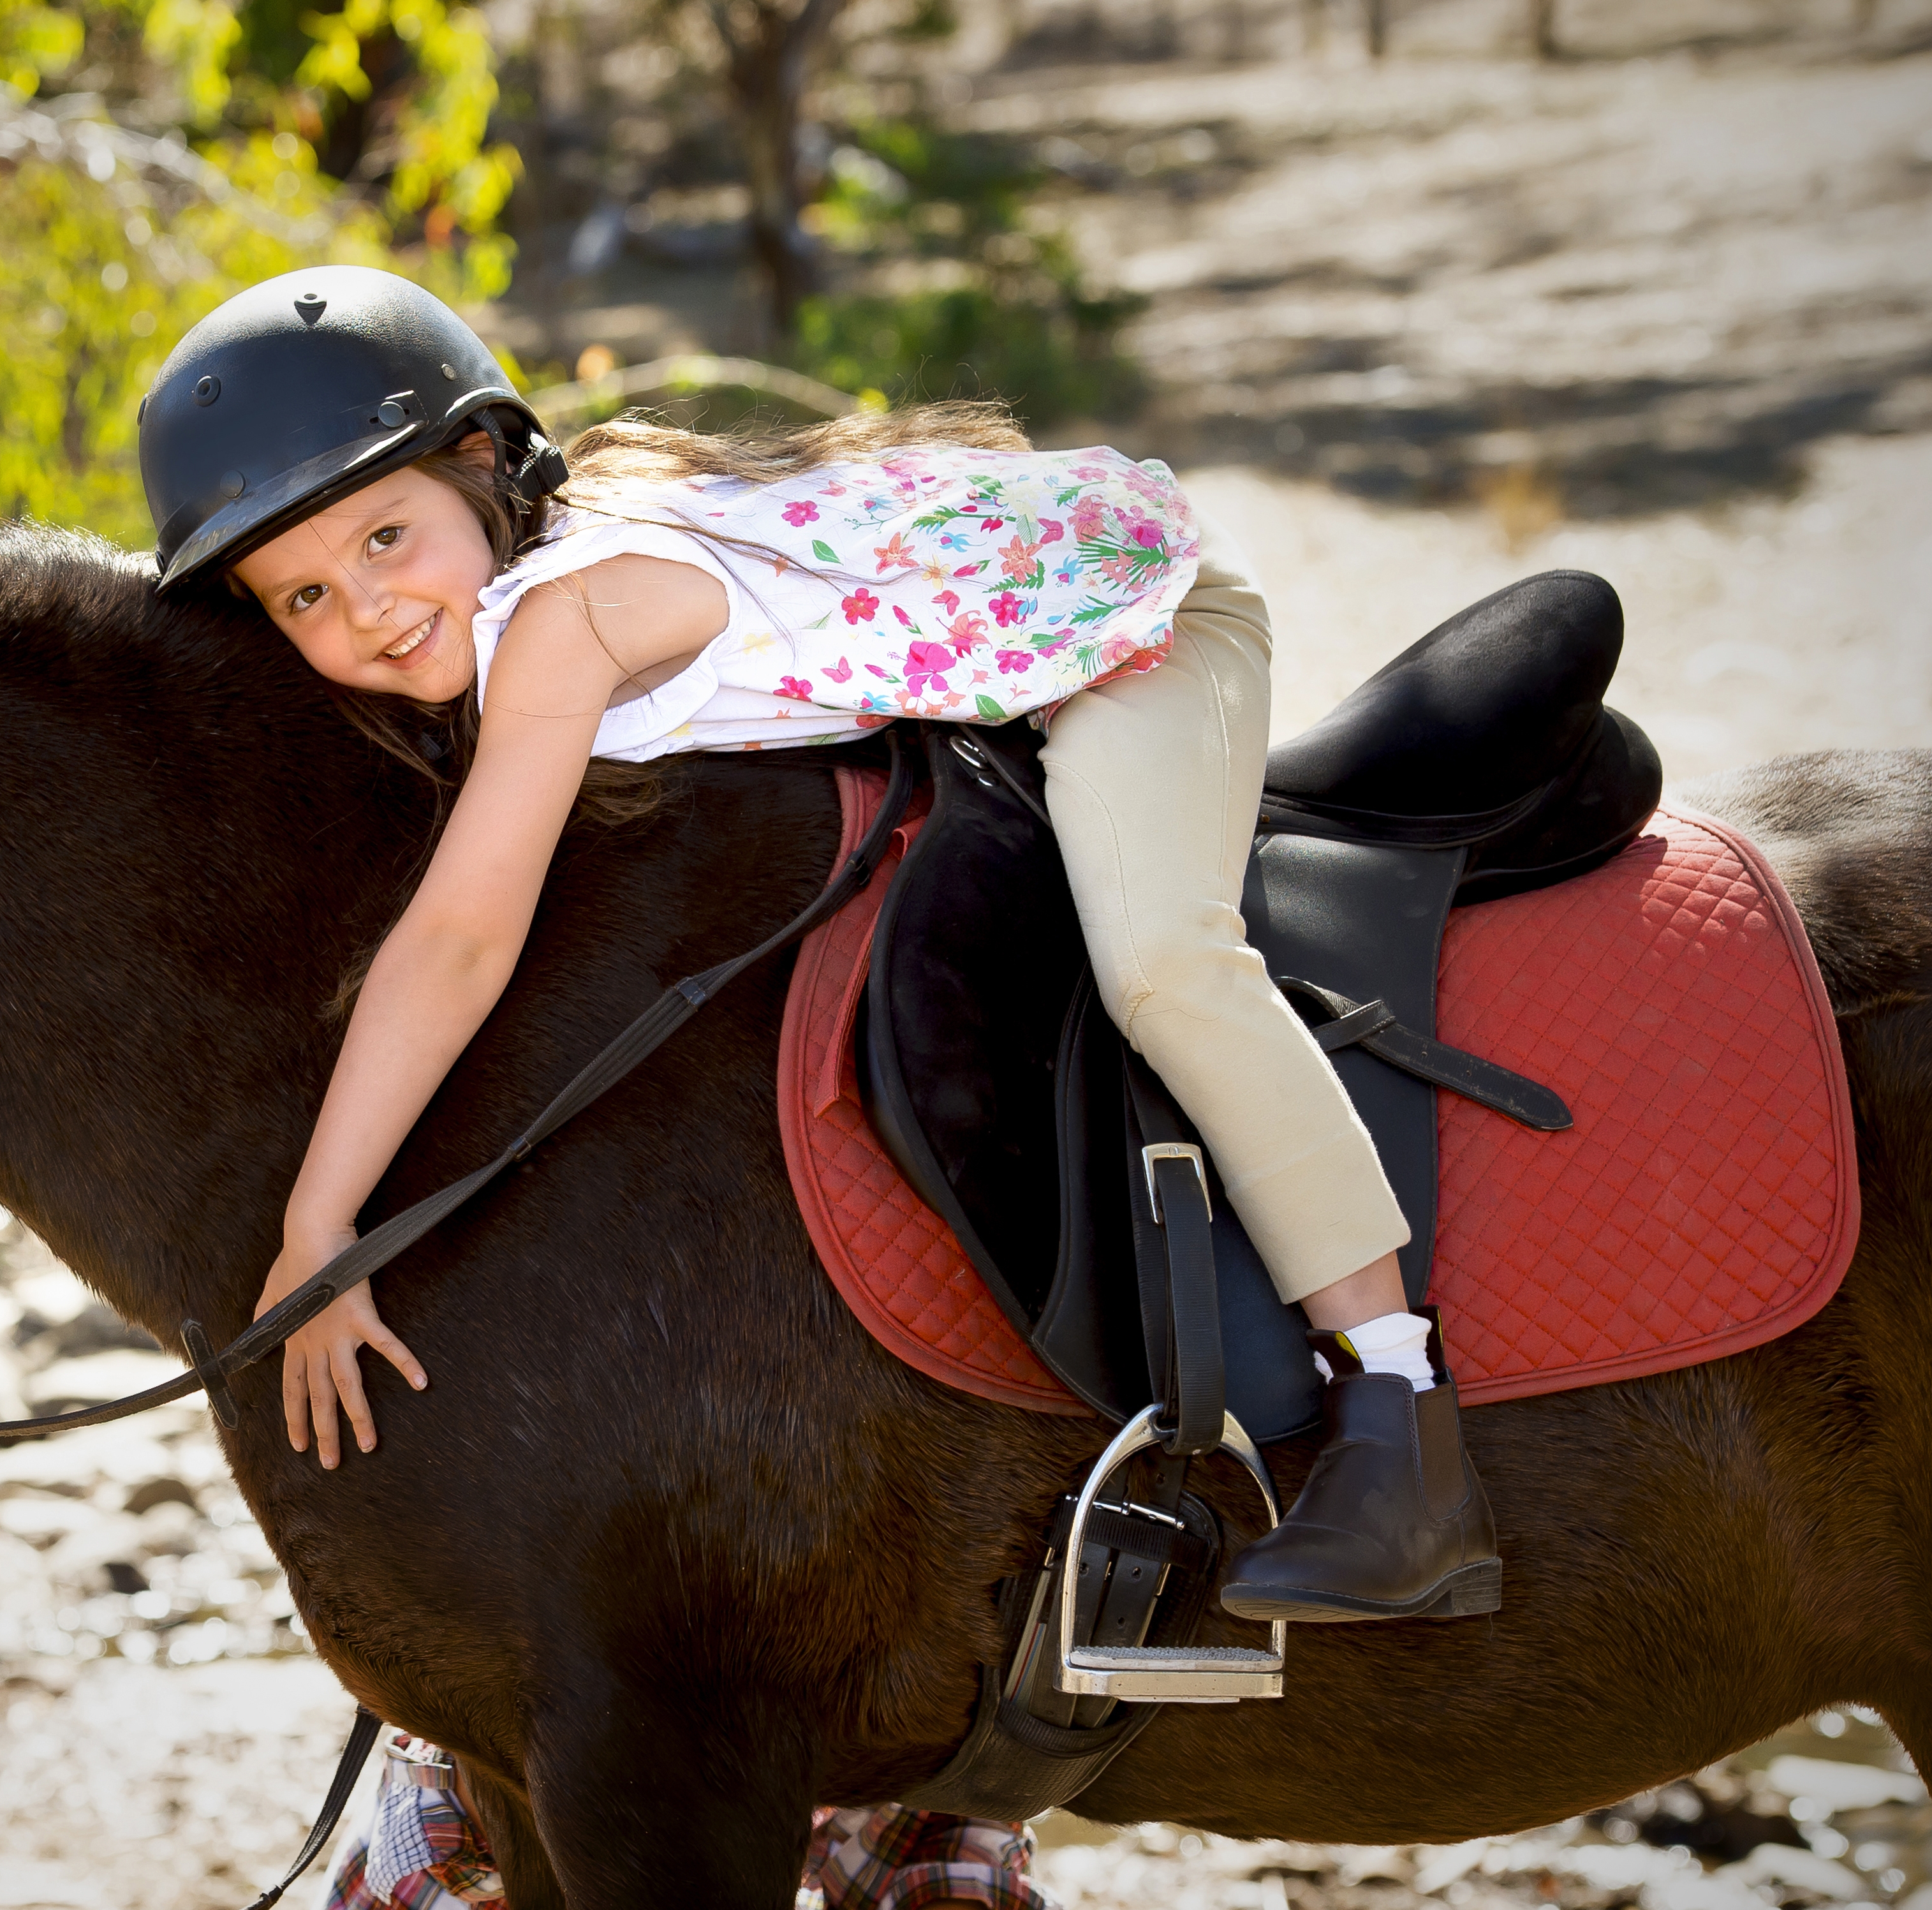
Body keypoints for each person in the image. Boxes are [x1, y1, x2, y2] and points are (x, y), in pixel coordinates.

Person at [136, 265, 1498, 1627]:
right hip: (1000, 660)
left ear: (483, 463)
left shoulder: (565, 621)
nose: (363, 610)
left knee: (1159, 960)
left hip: (1134, 623)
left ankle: (1397, 1414)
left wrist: (319, 1224)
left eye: (383, 539)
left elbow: (460, 940)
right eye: (300, 599)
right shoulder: (523, 590)